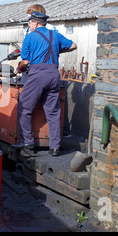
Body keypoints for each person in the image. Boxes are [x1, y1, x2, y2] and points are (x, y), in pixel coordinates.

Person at [16, 11, 77, 156]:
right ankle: (55, 147)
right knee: (53, 112)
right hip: (54, 74)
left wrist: (20, 67)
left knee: (24, 108)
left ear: (35, 23)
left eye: (30, 22)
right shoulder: (55, 35)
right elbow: (73, 45)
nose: (29, 25)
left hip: (38, 74)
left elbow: (25, 61)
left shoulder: (30, 37)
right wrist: (57, 51)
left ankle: (28, 144)